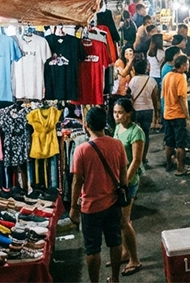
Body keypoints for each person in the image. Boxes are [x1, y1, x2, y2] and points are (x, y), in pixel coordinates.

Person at [69, 108, 127, 283]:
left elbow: (77, 182)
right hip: (113, 202)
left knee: (92, 249)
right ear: (105, 124)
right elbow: (123, 172)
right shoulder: (117, 144)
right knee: (115, 241)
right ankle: (115, 278)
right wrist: (122, 190)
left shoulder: (82, 150)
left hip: (90, 207)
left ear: (86, 125)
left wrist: (73, 207)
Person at [112, 99, 145, 277]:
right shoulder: (118, 128)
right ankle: (125, 253)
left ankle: (135, 260)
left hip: (129, 182)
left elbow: (136, 160)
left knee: (124, 222)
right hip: (118, 180)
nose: (116, 115)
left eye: (120, 112)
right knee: (122, 221)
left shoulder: (136, 132)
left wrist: (125, 182)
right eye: (115, 112)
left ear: (129, 113)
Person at [162, 54, 190, 177]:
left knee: (169, 142)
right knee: (181, 143)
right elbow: (181, 97)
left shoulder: (167, 76)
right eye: (187, 64)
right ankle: (180, 169)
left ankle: (169, 164)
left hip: (167, 113)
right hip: (178, 114)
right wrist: (187, 116)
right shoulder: (181, 77)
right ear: (184, 65)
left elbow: (163, 95)